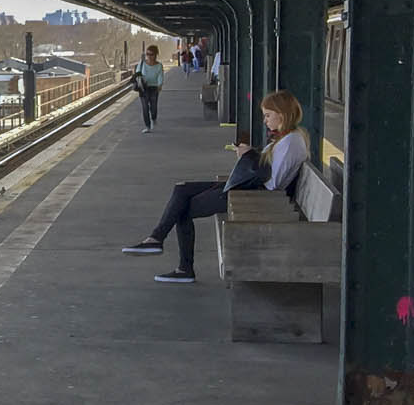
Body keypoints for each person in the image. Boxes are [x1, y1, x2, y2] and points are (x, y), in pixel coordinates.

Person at [120, 90, 311, 283]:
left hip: (257, 198)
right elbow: (268, 171)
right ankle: (156, 240)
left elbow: (273, 183)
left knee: (183, 209)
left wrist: (249, 156)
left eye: (268, 115)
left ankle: (182, 266)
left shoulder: (291, 142)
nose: (265, 120)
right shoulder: (287, 139)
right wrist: (251, 154)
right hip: (251, 190)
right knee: (182, 189)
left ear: (282, 114)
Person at [133, 45, 164, 131]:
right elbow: (137, 74)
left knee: (153, 107)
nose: (149, 56)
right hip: (143, 88)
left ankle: (153, 118)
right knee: (145, 107)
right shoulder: (142, 63)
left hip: (154, 88)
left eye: (151, 54)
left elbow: (160, 76)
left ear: (156, 54)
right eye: (147, 54)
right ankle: (147, 126)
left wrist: (160, 85)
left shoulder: (159, 66)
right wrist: (139, 80)